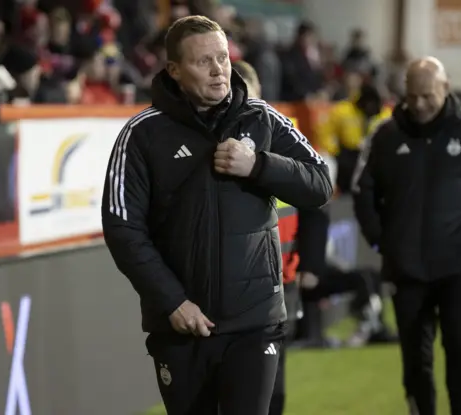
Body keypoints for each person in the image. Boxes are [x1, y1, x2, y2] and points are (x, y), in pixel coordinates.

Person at [101, 16, 332, 415]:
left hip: (254, 320)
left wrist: (259, 164)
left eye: (223, 58)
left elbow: (320, 184)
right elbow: (122, 227)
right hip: (181, 325)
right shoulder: (141, 135)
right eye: (203, 61)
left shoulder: (262, 118)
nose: (218, 70)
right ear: (174, 70)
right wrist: (173, 302)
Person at [351, 57, 461, 415]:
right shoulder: (385, 135)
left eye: (427, 96)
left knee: (460, 344)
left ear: (445, 89)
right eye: (412, 96)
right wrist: (381, 241)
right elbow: (361, 191)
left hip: (459, 264)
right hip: (406, 268)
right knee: (415, 356)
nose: (418, 104)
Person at [231, 58, 300, 415]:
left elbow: (314, 201)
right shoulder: (220, 149)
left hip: (281, 280)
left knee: (275, 385)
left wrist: (306, 260)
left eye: (252, 98)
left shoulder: (285, 138)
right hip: (233, 286)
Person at [294, 205, 397, 348]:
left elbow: (327, 254)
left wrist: (342, 269)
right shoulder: (311, 215)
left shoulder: (319, 216)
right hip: (307, 277)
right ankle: (368, 327)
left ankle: (375, 327)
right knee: (363, 279)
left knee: (370, 275)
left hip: (320, 271)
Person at [317, 83, 392, 193]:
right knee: (327, 160)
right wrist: (333, 150)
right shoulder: (342, 111)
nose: (370, 107)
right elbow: (325, 133)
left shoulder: (386, 115)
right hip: (347, 154)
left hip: (374, 155)